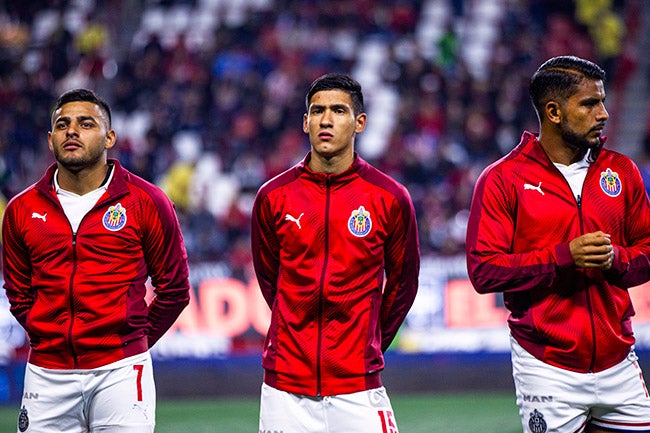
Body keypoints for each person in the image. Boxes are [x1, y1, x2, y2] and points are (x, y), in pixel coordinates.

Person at [466, 55, 650, 433]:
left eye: (602, 102)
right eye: (589, 103)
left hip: (619, 362)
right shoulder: (503, 179)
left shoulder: (622, 171)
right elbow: (483, 270)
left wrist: (616, 259)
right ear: (553, 112)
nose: (603, 114)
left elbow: (648, 249)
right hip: (546, 368)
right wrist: (564, 257)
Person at [2, 88, 190, 432]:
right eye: (62, 125)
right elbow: (17, 292)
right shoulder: (21, 210)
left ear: (109, 138)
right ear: (49, 139)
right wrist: (50, 336)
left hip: (121, 371)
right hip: (47, 374)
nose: (72, 131)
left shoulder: (148, 201)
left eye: (86, 123)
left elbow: (175, 290)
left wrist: (132, 341)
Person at [251, 73, 420, 433]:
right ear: (305, 121)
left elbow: (404, 285)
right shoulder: (272, 197)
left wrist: (368, 342)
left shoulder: (390, 198)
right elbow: (271, 282)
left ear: (359, 123)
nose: (326, 120)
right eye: (317, 111)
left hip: (357, 386)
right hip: (284, 388)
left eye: (339, 111)